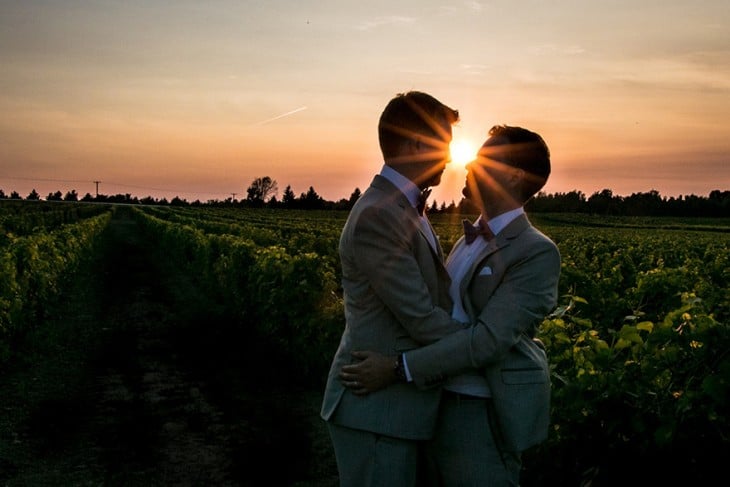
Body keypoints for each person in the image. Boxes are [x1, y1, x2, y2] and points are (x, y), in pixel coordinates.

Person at [340, 125, 561, 486]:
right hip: (433, 404)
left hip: (478, 412)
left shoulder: (536, 252)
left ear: (515, 176)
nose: (471, 163)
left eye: (486, 158)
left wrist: (399, 367)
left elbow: (488, 341)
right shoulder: (467, 240)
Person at [320, 91, 465, 487]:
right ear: (416, 144)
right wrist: (485, 343)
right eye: (444, 144)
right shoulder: (380, 215)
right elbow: (421, 318)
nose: (451, 158)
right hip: (377, 415)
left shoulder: (401, 206)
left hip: (394, 411)